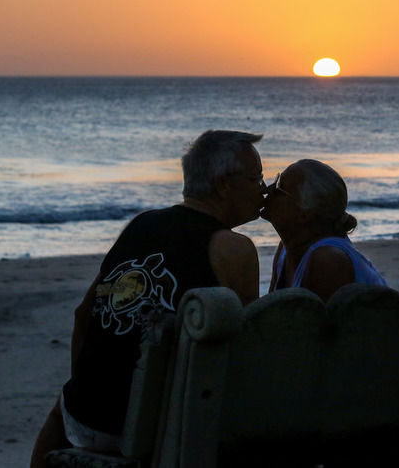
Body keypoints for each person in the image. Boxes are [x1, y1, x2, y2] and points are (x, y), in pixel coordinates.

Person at [30, 130, 264, 467]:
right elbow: (246, 356)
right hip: (159, 427)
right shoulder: (233, 248)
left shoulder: (141, 225)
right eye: (256, 177)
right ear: (223, 185)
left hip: (83, 418)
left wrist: (86, 390)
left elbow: (84, 313)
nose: (264, 187)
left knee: (64, 404)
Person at [262, 159, 385, 302]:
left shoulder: (328, 260)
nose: (268, 189)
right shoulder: (286, 248)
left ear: (304, 215)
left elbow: (311, 323)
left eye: (279, 187)